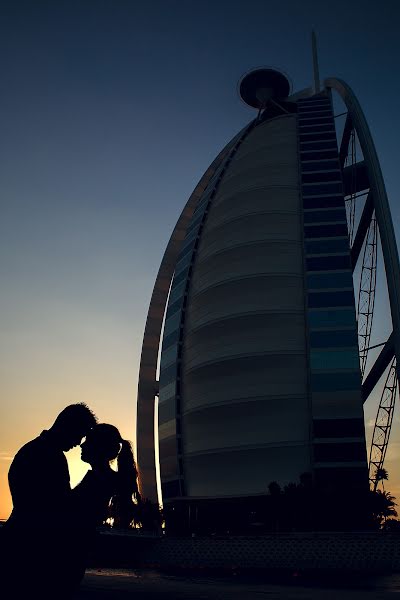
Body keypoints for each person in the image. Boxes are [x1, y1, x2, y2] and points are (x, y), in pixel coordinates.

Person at [1, 402, 97, 598]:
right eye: (80, 434)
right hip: (30, 549)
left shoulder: (35, 450)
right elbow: (57, 505)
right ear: (69, 426)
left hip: (21, 542)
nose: (79, 442)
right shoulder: (47, 455)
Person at [67, 423, 139, 590]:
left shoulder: (98, 480)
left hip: (72, 550)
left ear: (99, 448)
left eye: (88, 441)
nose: (82, 445)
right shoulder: (103, 478)